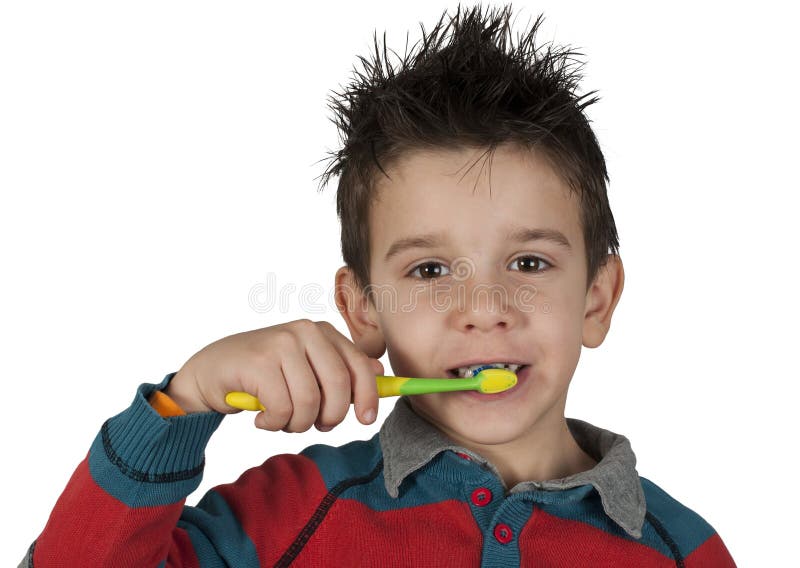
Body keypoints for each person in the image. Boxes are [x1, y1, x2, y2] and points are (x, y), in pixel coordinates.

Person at [20, 4, 736, 566]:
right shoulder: (285, 517)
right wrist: (183, 404)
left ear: (598, 299)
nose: (484, 310)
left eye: (528, 264)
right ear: (362, 308)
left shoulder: (686, 550)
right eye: (429, 270)